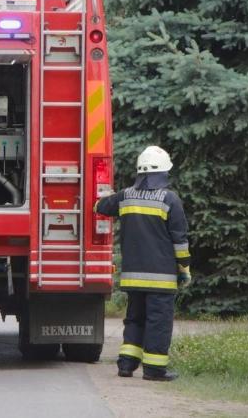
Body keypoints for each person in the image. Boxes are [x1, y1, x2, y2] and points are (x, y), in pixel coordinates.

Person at [94, 145, 191, 382]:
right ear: (164, 173)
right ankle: (155, 370)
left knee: (134, 319)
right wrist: (184, 268)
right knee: (158, 323)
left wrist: (109, 194)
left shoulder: (126, 196)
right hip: (162, 279)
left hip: (132, 278)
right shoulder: (170, 199)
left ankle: (126, 365)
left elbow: (99, 206)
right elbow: (179, 241)